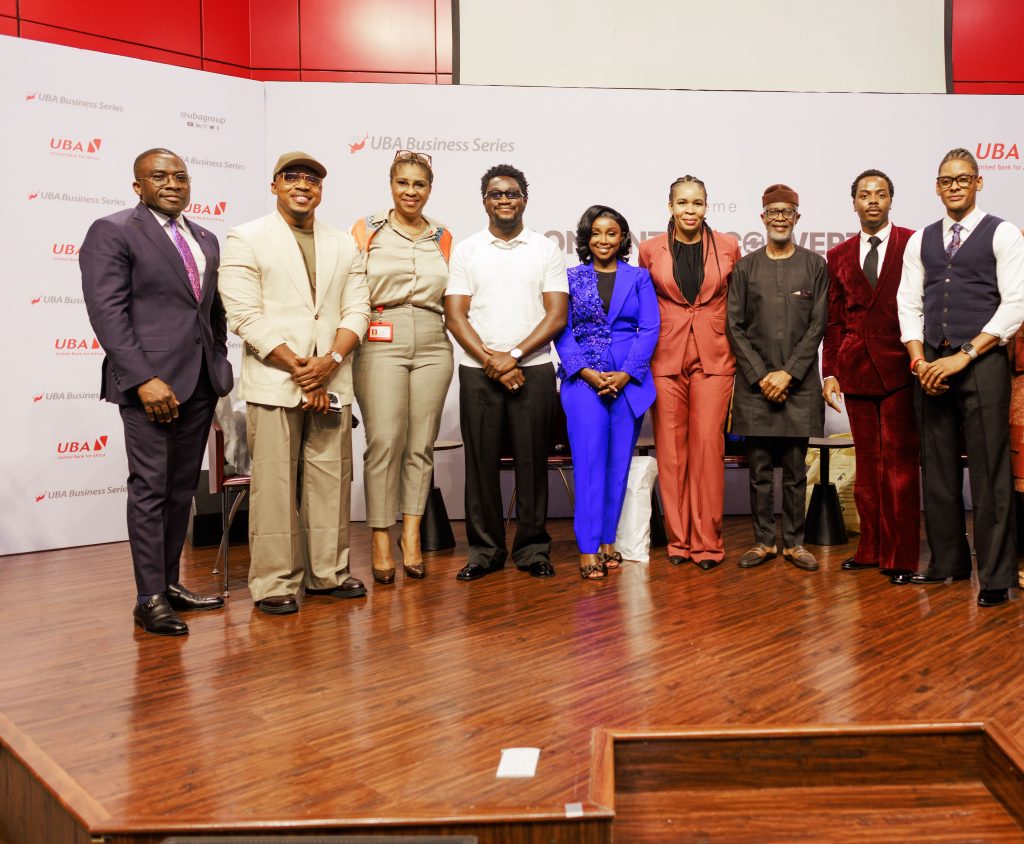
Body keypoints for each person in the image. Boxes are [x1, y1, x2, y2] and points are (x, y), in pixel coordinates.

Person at [80, 148, 234, 636]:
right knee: (149, 491)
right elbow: (108, 313)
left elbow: (211, 313)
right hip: (150, 387)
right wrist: (143, 379)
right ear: (137, 186)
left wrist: (219, 362)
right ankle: (148, 597)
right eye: (159, 176)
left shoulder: (205, 237)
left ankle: (169, 584)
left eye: (181, 176)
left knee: (180, 491)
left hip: (199, 383)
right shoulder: (114, 230)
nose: (172, 183)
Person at [218, 151, 370, 615]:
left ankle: (328, 573)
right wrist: (302, 368)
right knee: (275, 484)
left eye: (313, 179)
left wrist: (331, 360)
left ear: (321, 189)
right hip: (276, 379)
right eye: (293, 177)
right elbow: (243, 314)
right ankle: (274, 582)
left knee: (331, 481)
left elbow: (357, 310)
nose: (303, 185)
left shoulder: (345, 243)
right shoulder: (246, 237)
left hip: (332, 378)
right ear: (275, 185)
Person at [896, 147, 1024, 607]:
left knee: (990, 473)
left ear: (978, 183)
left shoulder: (1003, 233)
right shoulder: (921, 240)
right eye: (947, 180)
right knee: (938, 469)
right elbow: (908, 303)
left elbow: (1014, 305)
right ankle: (946, 562)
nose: (954, 186)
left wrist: (964, 355)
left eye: (963, 179)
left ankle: (994, 576)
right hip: (930, 364)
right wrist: (919, 361)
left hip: (982, 364)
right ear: (937, 186)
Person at [445, 164, 569, 581]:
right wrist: (491, 361)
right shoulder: (467, 249)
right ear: (484, 200)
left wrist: (513, 355)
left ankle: (532, 548)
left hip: (532, 370)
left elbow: (556, 316)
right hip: (478, 372)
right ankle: (485, 550)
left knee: (533, 462)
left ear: (524, 200)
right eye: (496, 194)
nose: (504, 200)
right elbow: (455, 316)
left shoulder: (545, 249)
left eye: (512, 193)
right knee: (480, 464)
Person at [350, 151, 455, 584]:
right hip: (380, 332)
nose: (411, 191)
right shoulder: (366, 229)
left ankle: (410, 536)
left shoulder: (444, 236)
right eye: (403, 183)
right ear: (391, 185)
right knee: (385, 441)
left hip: (434, 337)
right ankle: (380, 537)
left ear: (430, 189)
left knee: (420, 444)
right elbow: (350, 286)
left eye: (420, 185)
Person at [638, 176, 742, 570]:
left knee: (707, 449)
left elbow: (738, 301)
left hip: (715, 356)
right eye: (682, 203)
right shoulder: (649, 250)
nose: (690, 210)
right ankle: (679, 541)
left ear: (706, 206)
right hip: (665, 357)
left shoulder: (729, 246)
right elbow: (642, 306)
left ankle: (708, 543)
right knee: (671, 452)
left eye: (697, 203)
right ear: (670, 206)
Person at [823, 170, 920, 585]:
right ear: (854, 203)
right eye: (865, 195)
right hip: (856, 371)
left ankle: (902, 556)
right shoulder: (839, 254)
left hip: (902, 369)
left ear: (891, 200)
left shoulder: (913, 242)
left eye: (880, 194)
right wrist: (830, 372)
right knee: (867, 466)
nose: (873, 201)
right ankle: (871, 549)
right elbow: (834, 320)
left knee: (899, 467)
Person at [727, 184, 828, 572]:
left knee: (795, 472)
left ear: (797, 218)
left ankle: (795, 544)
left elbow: (818, 325)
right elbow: (734, 327)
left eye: (788, 212)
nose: (781, 218)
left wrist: (788, 374)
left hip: (798, 386)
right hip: (756, 388)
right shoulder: (746, 267)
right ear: (763, 218)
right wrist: (761, 375)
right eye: (774, 212)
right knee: (759, 473)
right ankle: (764, 541)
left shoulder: (815, 266)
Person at [555, 206, 659, 579]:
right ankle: (587, 547)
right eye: (596, 233)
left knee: (617, 467)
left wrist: (626, 374)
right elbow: (561, 329)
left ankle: (607, 542)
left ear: (622, 238)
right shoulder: (570, 277)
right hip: (583, 382)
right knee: (589, 463)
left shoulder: (640, 278)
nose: (603, 240)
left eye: (611, 233)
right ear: (586, 238)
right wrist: (586, 371)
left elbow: (649, 329)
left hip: (628, 383)